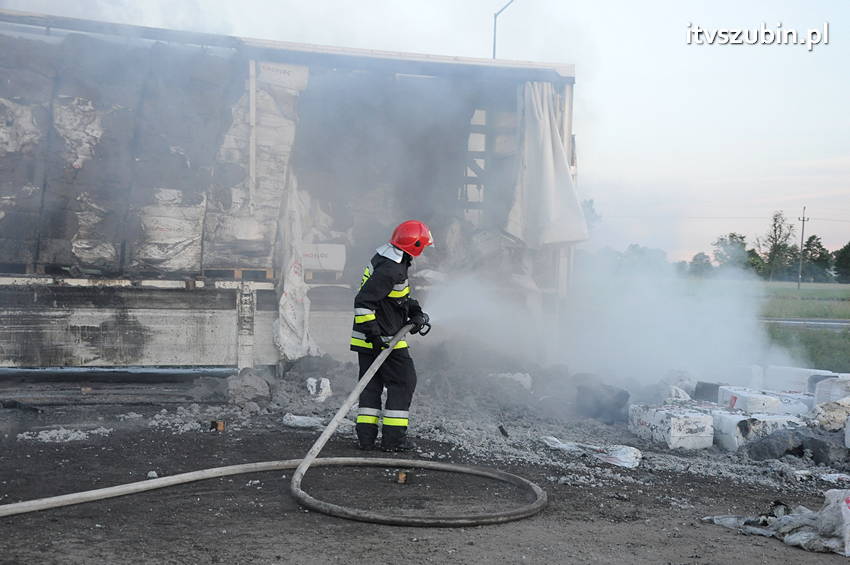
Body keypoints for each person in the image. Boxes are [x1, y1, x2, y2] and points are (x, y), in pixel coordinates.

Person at [350, 220, 432, 451]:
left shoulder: (389, 258)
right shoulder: (390, 269)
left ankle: (366, 439)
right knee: (404, 382)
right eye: (423, 245)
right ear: (415, 245)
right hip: (384, 339)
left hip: (371, 336)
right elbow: (364, 303)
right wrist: (376, 336)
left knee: (371, 386)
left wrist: (414, 311)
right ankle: (393, 440)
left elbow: (394, 298)